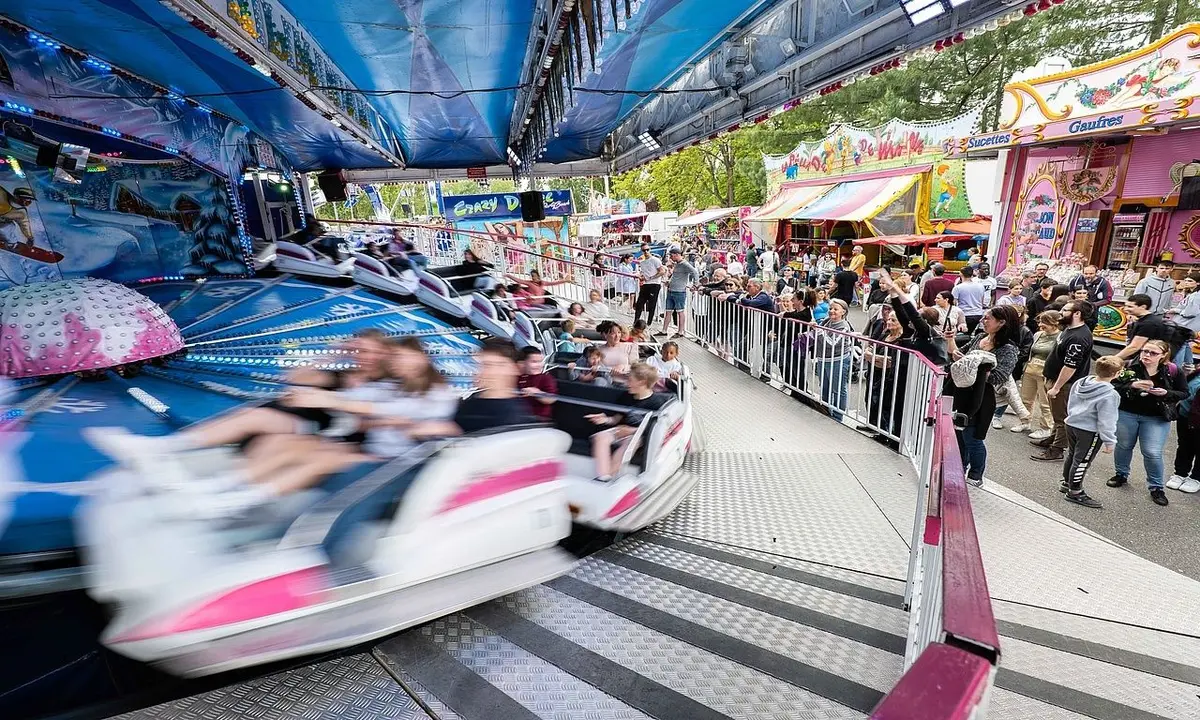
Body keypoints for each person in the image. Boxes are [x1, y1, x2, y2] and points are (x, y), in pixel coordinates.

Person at [85, 330, 394, 484]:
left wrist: (329, 401)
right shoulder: (340, 374)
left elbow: (367, 414)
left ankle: (162, 450)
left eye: (368, 352)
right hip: (303, 420)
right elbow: (295, 377)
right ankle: (169, 456)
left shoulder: (382, 386)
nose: (362, 357)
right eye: (358, 350)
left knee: (255, 418)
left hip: (326, 430)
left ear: (381, 355)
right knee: (252, 417)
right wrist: (333, 354)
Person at [944, 305, 1021, 485]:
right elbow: (958, 356)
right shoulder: (979, 338)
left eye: (987, 318)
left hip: (981, 398)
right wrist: (950, 340)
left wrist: (974, 367)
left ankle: (976, 474)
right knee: (959, 435)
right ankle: (959, 468)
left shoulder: (1008, 349)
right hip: (961, 393)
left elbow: (999, 376)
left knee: (973, 438)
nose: (983, 321)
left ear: (1001, 323)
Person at [1110, 339, 1188, 506]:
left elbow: (1183, 393)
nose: (1147, 355)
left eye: (1153, 353)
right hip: (1127, 413)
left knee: (1152, 452)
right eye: (1145, 351)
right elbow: (1111, 385)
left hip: (1157, 417)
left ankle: (1156, 487)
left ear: (1163, 355)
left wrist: (1166, 393)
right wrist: (1132, 385)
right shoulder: (1129, 366)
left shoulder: (1173, 370)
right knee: (1124, 445)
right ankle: (1121, 474)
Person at [1031, 300, 1094, 461]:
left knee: (1061, 417)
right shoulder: (1069, 329)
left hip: (1064, 384)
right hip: (1054, 379)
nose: (1061, 312)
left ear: (1077, 314)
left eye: (1065, 310)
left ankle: (1057, 449)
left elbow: (1070, 366)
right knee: (1056, 414)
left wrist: (1057, 387)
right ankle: (1053, 439)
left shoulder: (1078, 337)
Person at [585, 363, 668, 482]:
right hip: (621, 430)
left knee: (629, 444)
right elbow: (616, 419)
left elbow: (655, 429)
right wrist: (605, 419)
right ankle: (603, 476)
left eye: (630, 380)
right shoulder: (626, 396)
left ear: (642, 382)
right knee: (600, 438)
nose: (626, 383)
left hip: (639, 435)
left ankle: (610, 477)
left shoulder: (656, 403)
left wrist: (631, 431)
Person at [1059, 355, 1123, 508]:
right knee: (1083, 461)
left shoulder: (1081, 382)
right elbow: (1106, 420)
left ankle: (1067, 482)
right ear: (1116, 374)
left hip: (1072, 423)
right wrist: (1109, 440)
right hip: (1089, 431)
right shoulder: (1110, 394)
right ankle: (1075, 491)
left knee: (1073, 455)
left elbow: (1070, 401)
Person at [1011, 311, 1060, 439]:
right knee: (1026, 399)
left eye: (1044, 322)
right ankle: (1024, 422)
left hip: (1046, 374)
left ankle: (1046, 428)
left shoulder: (1060, 337)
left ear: (1054, 323)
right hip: (1030, 370)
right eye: (1040, 322)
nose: (1040, 325)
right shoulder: (1038, 335)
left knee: (1045, 403)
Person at [813, 298, 854, 422]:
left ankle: (837, 416)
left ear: (843, 312)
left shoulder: (844, 326)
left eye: (836, 309)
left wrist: (819, 331)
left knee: (838, 389)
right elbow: (818, 334)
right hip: (823, 358)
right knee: (824, 386)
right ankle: (825, 409)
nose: (832, 311)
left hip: (838, 360)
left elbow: (832, 343)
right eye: (830, 308)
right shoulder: (826, 321)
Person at [1115, 294, 1180, 362]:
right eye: (1126, 306)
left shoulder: (1148, 323)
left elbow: (1135, 347)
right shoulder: (1145, 319)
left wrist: (1114, 358)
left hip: (1146, 360)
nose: (1126, 309)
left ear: (1143, 307)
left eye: (1130, 307)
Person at [1168, 368, 1200, 493]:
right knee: (1184, 445)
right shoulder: (1197, 372)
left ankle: (1196, 478)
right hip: (1185, 415)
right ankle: (1180, 473)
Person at [1165, 272, 1200, 370]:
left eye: (1190, 281)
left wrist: (1176, 310)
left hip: (1186, 324)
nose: (1186, 282)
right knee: (1185, 343)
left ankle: (1177, 368)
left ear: (1198, 283)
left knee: (1179, 345)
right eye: (1186, 280)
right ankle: (1189, 364)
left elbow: (1190, 312)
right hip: (1191, 324)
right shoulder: (1193, 294)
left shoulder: (1196, 296)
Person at [663, 247, 698, 338]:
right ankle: (664, 330)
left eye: (671, 255)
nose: (670, 257)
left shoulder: (685, 264)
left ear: (677, 255)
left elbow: (695, 272)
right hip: (671, 290)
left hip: (679, 291)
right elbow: (675, 276)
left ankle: (680, 331)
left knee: (680, 312)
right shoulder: (677, 264)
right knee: (668, 311)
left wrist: (695, 285)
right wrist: (669, 282)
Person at [518, 347, 558, 420]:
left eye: (540, 361)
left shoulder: (546, 378)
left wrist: (537, 393)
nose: (538, 365)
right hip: (519, 416)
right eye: (534, 362)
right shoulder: (519, 377)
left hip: (538, 419)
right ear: (523, 363)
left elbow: (552, 398)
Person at [634, 245, 665, 326]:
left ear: (650, 250)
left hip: (654, 284)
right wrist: (641, 277)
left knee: (652, 304)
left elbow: (662, 271)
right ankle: (636, 322)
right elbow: (644, 273)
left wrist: (651, 277)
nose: (646, 252)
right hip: (646, 284)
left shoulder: (655, 260)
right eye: (644, 250)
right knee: (639, 304)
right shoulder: (642, 262)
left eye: (647, 250)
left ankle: (649, 323)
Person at [0, 186, 37, 251]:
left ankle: (11, 243)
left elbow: (24, 225)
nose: (27, 203)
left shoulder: (21, 212)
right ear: (17, 197)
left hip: (3, 223)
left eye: (30, 201)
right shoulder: (2, 195)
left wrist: (30, 238)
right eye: (26, 199)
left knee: (6, 228)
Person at [952, 267, 986, 332]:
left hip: (964, 314)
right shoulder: (981, 286)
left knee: (960, 335)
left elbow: (954, 303)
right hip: (978, 314)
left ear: (961, 274)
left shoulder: (958, 288)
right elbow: (982, 301)